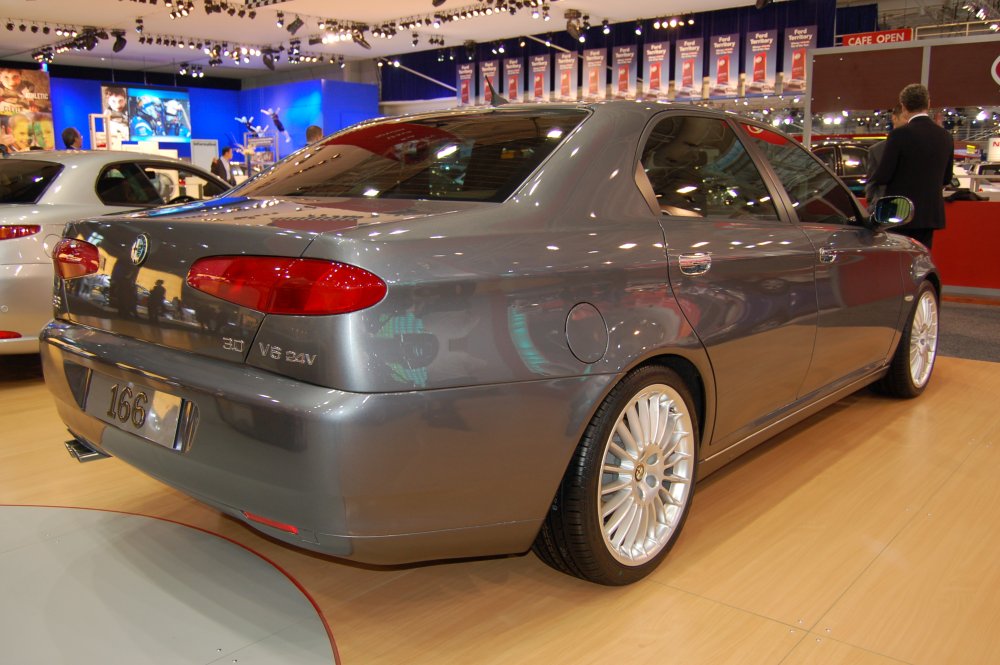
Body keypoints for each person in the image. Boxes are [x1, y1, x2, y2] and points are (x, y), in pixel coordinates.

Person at [869, 83, 953, 249]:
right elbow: (947, 178)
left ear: (904, 106)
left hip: (900, 212)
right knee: (922, 259)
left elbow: (883, 175)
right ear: (928, 104)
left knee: (899, 262)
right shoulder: (945, 136)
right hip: (929, 213)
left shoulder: (899, 135)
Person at [864, 104, 907, 204]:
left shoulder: (919, 146)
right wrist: (873, 206)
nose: (908, 122)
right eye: (905, 117)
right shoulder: (876, 150)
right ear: (894, 118)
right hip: (885, 208)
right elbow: (872, 183)